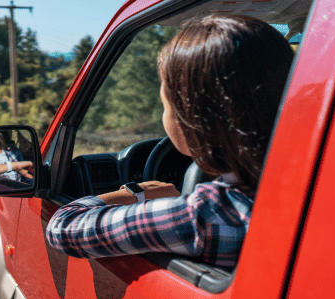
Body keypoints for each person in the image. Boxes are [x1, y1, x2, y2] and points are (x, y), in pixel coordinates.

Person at [46, 15, 295, 269]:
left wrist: (136, 193)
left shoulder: (203, 215)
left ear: (193, 119)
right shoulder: (318, 187)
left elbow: (62, 227)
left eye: (166, 105)